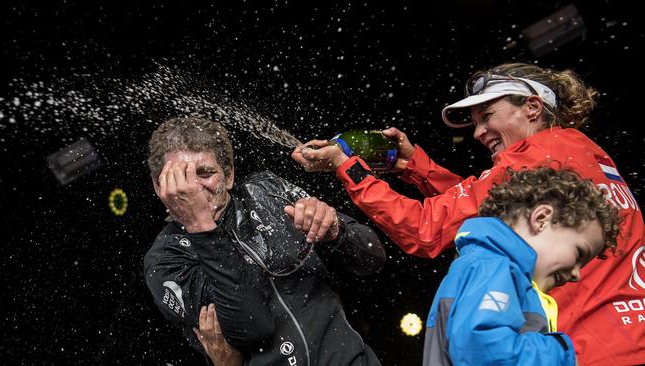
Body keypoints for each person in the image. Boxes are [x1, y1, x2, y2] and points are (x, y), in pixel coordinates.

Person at [292, 62, 644, 365]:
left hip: (586, 351)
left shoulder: (529, 157)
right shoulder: (581, 148)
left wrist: (348, 168)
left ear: (533, 107)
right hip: (628, 336)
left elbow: (424, 229)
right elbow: (488, 200)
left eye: (487, 116)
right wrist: (415, 166)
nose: (478, 133)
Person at [143, 116, 385, 365]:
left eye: (205, 173)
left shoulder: (266, 191)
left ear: (228, 176)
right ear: (158, 185)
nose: (193, 188)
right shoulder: (166, 258)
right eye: (180, 178)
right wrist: (200, 225)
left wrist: (336, 230)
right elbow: (252, 327)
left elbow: (372, 258)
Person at [424, 167, 620, 365]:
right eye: (579, 253)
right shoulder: (492, 267)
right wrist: (560, 352)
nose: (577, 274)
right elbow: (483, 351)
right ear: (541, 219)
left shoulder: (495, 270)